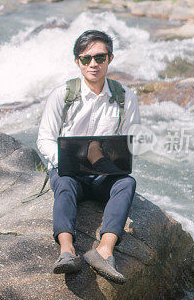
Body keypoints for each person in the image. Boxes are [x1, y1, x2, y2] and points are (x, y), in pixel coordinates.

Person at [36, 30, 141, 283]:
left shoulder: (126, 97)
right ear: (77, 62)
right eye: (86, 59)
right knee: (64, 182)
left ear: (110, 59)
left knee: (127, 183)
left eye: (99, 57)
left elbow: (131, 141)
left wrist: (117, 159)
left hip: (104, 176)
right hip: (70, 172)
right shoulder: (62, 95)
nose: (93, 64)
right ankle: (66, 251)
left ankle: (104, 252)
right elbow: (44, 138)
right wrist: (64, 162)